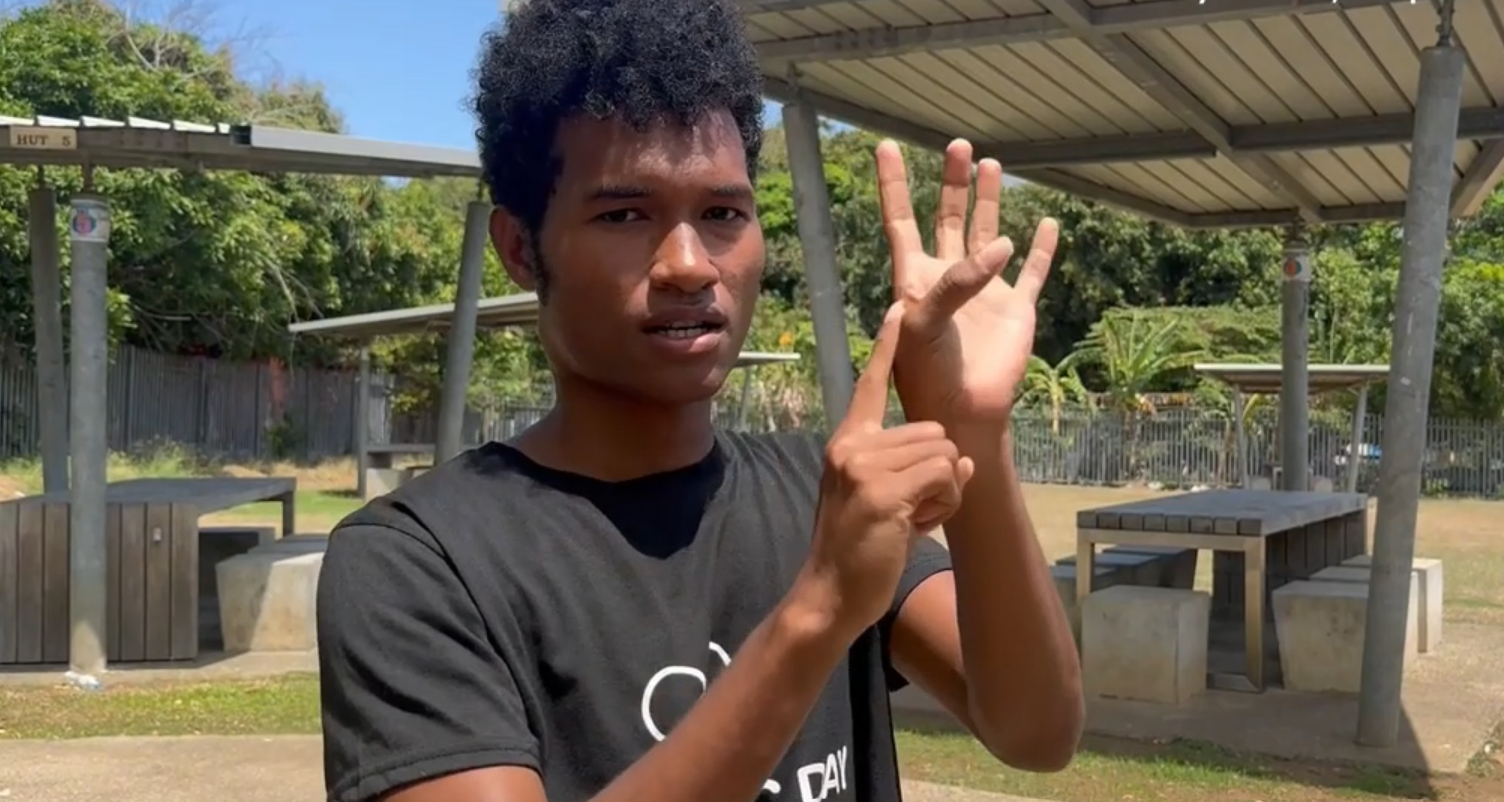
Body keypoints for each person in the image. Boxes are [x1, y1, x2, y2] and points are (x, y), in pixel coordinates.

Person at [313, 1, 1084, 801]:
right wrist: (815, 612)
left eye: (721, 213)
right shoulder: (417, 560)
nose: (688, 264)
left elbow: (1035, 731)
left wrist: (972, 431)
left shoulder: (814, 496)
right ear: (520, 248)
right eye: (624, 213)